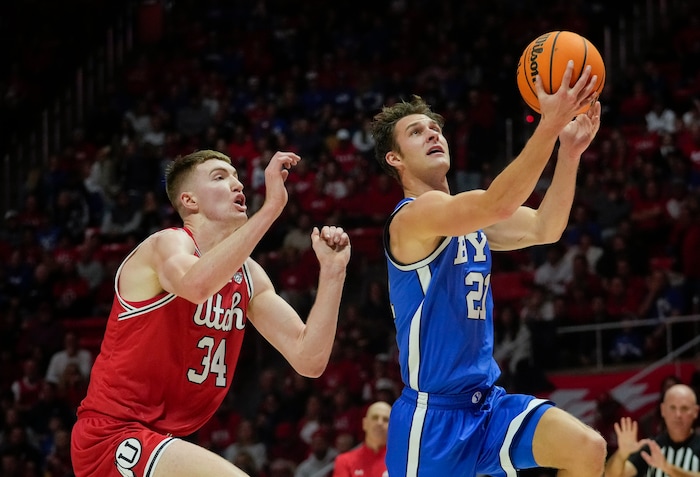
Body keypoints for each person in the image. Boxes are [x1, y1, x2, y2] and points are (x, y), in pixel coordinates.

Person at [370, 60, 606, 477]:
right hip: (433, 421)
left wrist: (569, 154)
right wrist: (548, 126)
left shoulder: (468, 218)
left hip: (487, 404)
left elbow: (544, 227)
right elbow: (499, 202)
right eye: (416, 132)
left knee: (587, 449)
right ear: (395, 159)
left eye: (434, 128)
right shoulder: (411, 218)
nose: (432, 133)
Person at [70, 149, 351, 477]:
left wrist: (333, 274)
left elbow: (309, 360)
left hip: (167, 440)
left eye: (236, 176)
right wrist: (272, 207)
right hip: (114, 436)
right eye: (220, 177)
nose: (237, 184)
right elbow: (197, 285)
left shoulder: (250, 276)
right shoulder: (166, 245)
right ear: (189, 201)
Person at [604, 383, 700, 477]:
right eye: (672, 408)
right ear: (663, 410)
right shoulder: (651, 447)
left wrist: (668, 468)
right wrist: (621, 454)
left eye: (684, 408)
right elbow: (611, 475)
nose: (678, 415)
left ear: (695, 412)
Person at [332, 401, 391, 477]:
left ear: (392, 427)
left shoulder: (402, 462)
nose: (379, 423)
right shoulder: (344, 461)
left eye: (386, 419)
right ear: (365, 423)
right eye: (375, 417)